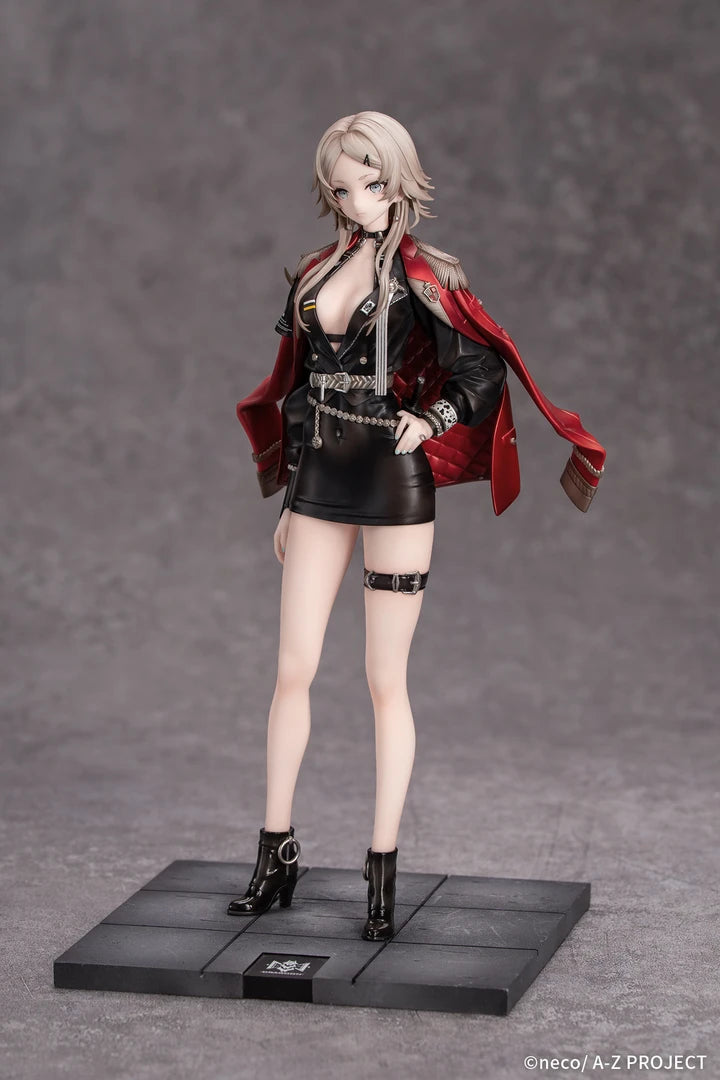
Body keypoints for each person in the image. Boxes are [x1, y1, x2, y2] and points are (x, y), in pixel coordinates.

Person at [231, 111, 606, 942]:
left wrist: (430, 419)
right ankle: (275, 849)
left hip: (394, 481)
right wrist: (289, 496)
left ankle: (381, 867)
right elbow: (298, 388)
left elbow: (481, 365)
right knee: (292, 669)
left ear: (398, 179)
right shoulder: (315, 271)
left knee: (384, 679)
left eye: (372, 183)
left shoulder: (427, 275)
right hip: (322, 475)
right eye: (342, 187)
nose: (358, 199)